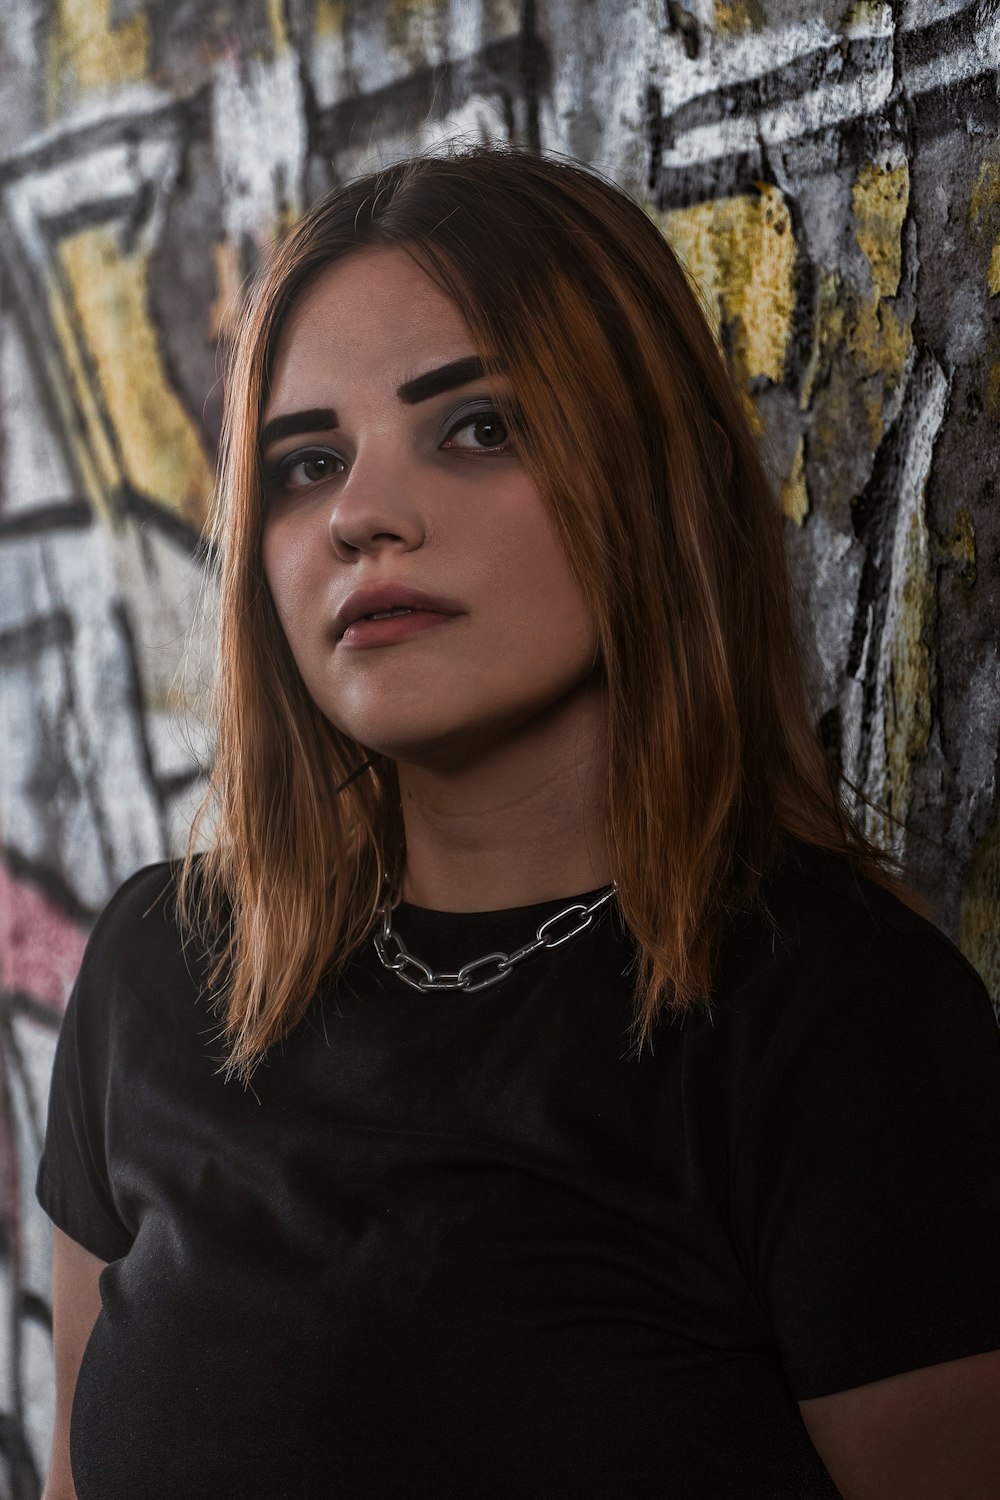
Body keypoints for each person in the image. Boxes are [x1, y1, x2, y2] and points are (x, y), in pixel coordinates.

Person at [37, 142, 1000, 1500]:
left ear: (651, 479)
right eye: (306, 464)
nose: (364, 515)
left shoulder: (838, 1021)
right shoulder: (160, 963)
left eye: (479, 427)